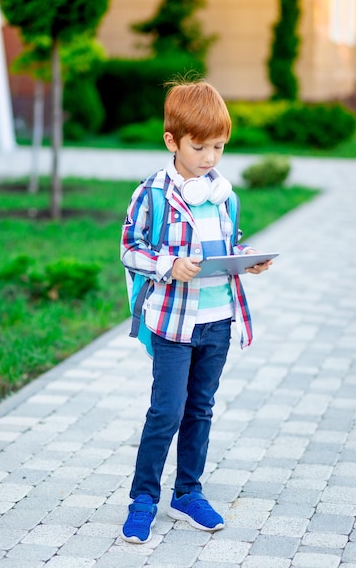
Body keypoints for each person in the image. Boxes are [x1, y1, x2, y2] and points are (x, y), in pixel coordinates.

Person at [120, 79, 273, 544]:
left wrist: (248, 257)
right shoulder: (152, 195)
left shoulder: (225, 196)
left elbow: (229, 242)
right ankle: (143, 499)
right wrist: (169, 265)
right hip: (173, 322)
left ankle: (187, 492)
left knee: (201, 409)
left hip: (218, 320)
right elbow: (130, 249)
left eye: (219, 147)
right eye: (200, 145)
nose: (210, 157)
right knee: (166, 411)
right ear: (172, 141)